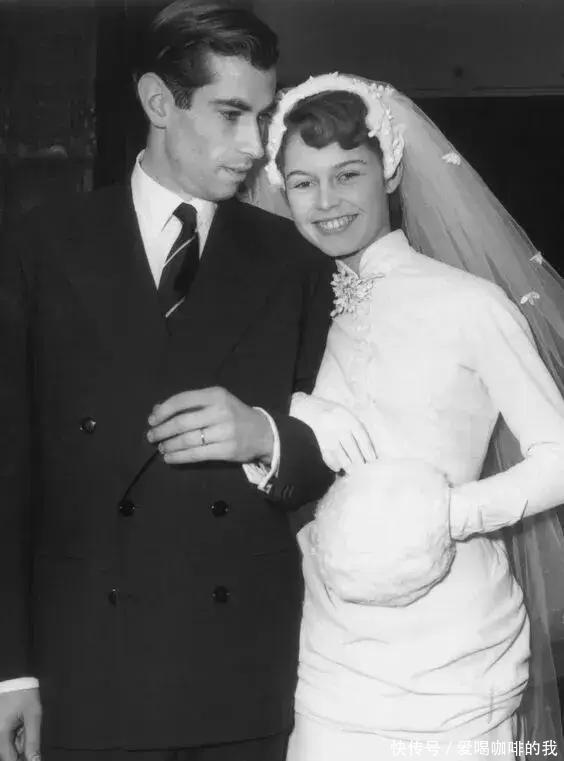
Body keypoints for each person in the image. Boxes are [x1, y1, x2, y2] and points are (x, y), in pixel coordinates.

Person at [0, 4, 337, 760]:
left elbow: (339, 456)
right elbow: (7, 473)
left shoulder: (295, 260)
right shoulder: (38, 246)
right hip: (84, 670)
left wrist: (267, 438)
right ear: (159, 102)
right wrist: (9, 670)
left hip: (238, 677)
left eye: (264, 117)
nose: (256, 147)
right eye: (231, 114)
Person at [248, 73, 564, 760]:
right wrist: (294, 412)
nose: (325, 202)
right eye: (303, 182)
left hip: (453, 658)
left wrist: (446, 515)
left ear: (389, 171)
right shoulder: (284, 314)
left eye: (347, 174)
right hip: (326, 656)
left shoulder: (469, 304)